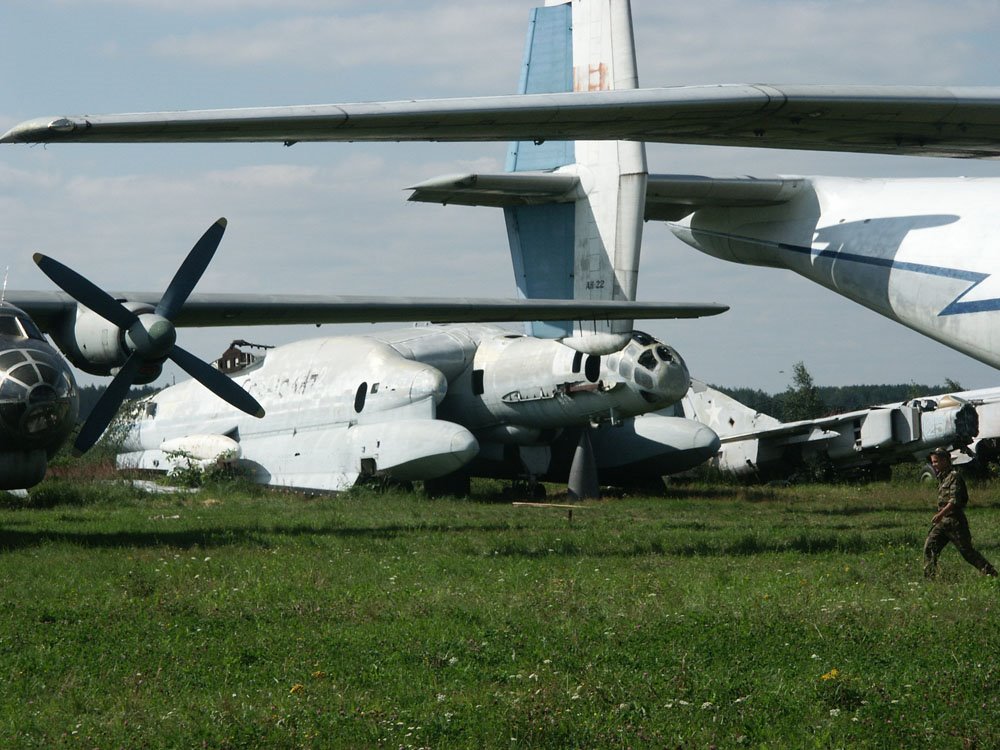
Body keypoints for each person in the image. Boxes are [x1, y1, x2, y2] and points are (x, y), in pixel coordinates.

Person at [923, 447, 998, 579]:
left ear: (945, 460)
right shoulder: (942, 477)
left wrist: (940, 514)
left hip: (954, 521)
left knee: (967, 552)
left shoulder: (954, 477)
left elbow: (954, 501)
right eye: (933, 462)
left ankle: (992, 574)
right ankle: (930, 578)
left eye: (936, 462)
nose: (934, 464)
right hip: (943, 522)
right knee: (930, 546)